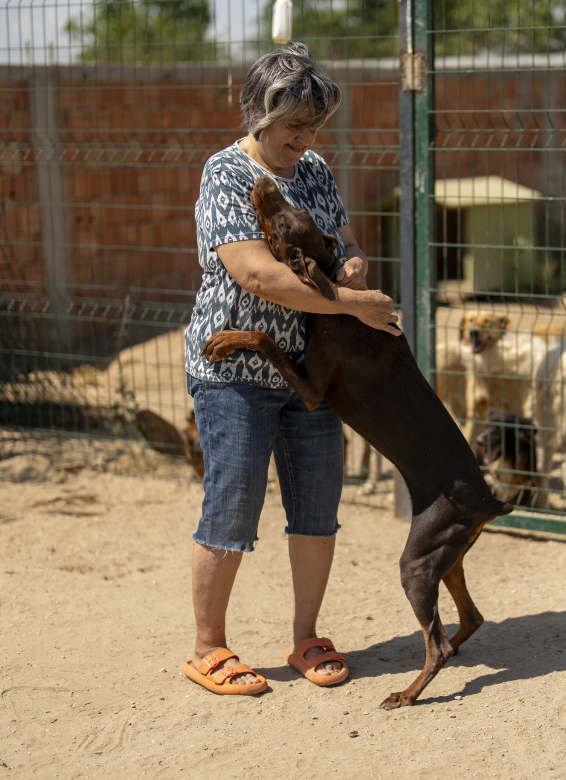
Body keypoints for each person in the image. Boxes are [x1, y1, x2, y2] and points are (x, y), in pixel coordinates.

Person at [181, 42, 400, 695]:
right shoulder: (225, 173)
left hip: (310, 368)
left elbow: (347, 241)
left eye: (313, 127)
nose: (305, 139)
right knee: (234, 501)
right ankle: (208, 648)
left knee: (316, 503)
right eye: (294, 127)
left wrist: (354, 263)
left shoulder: (315, 169)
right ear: (257, 114)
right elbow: (258, 274)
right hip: (233, 366)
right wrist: (357, 304)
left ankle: (307, 635)